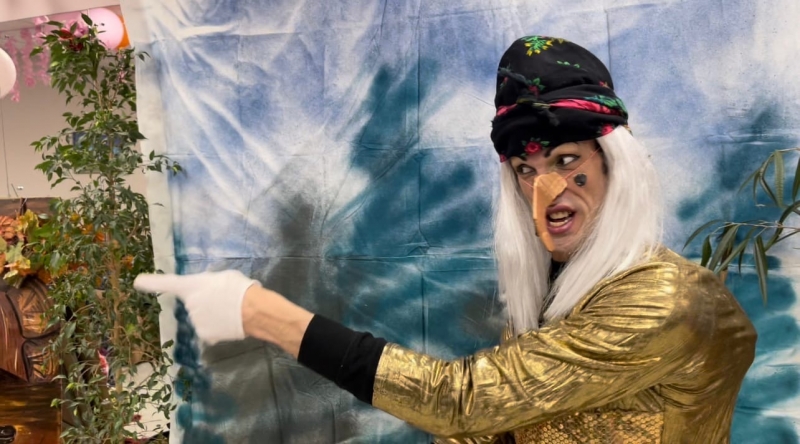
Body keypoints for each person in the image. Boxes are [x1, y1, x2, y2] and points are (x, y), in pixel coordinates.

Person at [134, 36, 757, 443]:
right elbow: (502, 423)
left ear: (616, 167)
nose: (546, 191)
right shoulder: (565, 288)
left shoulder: (664, 302)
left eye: (567, 162)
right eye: (526, 171)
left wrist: (261, 312)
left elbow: (467, 401)